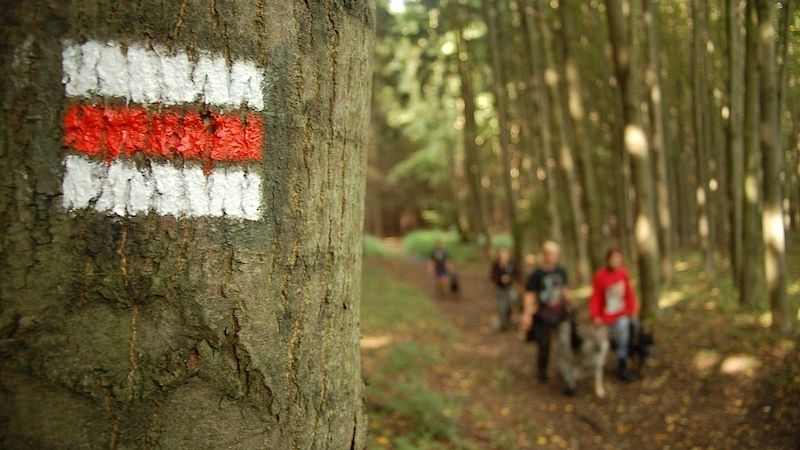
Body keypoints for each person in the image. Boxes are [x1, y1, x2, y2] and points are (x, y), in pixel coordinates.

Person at [522, 241, 572, 383]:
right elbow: (529, 295)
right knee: (544, 344)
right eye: (551, 254)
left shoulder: (561, 271)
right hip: (543, 315)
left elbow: (564, 289)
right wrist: (527, 314)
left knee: (564, 344)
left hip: (561, 313)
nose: (554, 257)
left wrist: (570, 300)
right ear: (545, 255)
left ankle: (567, 376)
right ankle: (542, 372)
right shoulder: (536, 275)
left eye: (556, 254)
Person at [588, 247, 639, 382]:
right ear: (608, 260)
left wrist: (633, 309)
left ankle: (623, 365)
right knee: (601, 343)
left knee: (626, 328)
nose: (616, 261)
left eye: (618, 258)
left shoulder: (623, 273)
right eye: (613, 258)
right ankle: (596, 367)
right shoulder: (600, 275)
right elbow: (595, 298)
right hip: (605, 317)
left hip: (621, 314)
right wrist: (595, 316)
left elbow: (629, 294)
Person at [490, 248, 518, 331]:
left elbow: (517, 275)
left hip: (510, 288)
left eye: (506, 255)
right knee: (502, 307)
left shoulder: (511, 265)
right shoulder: (496, 265)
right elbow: (492, 276)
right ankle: (503, 325)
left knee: (511, 304)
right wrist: (500, 279)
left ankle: (510, 322)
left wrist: (510, 279)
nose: (504, 257)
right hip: (500, 289)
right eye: (502, 255)